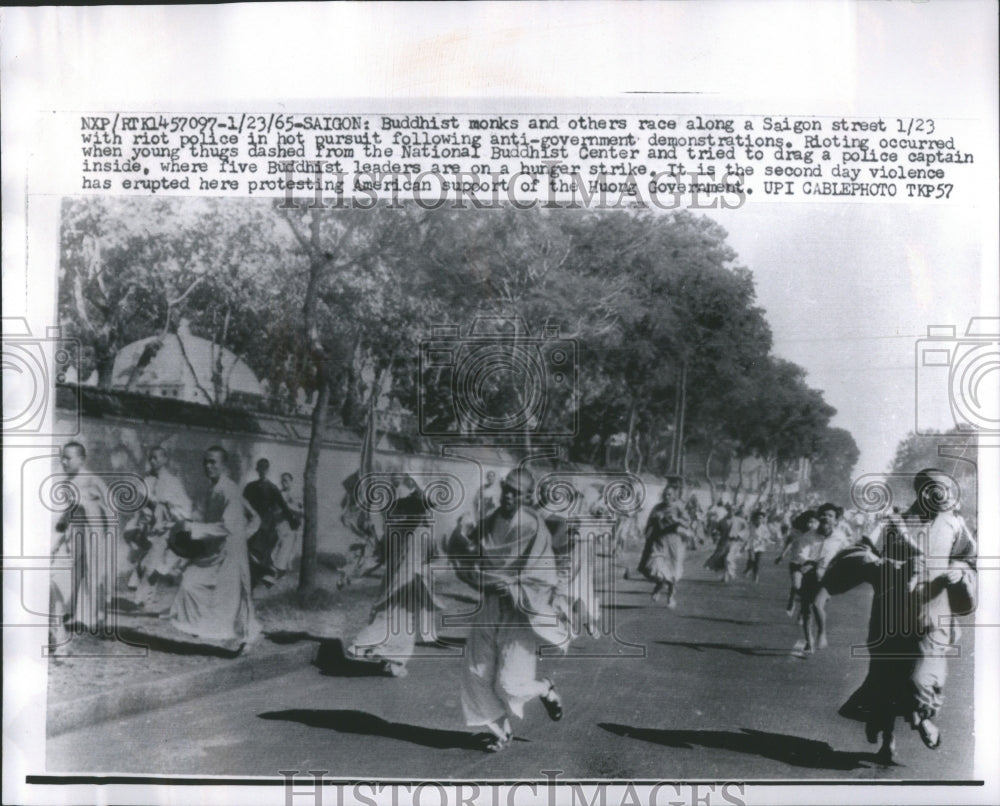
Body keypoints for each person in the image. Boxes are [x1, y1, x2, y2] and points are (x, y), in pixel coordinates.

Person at [831, 469, 976, 764]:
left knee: (921, 676)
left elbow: (970, 559)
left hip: (933, 617)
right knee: (886, 679)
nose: (942, 496)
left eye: (946, 491)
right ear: (921, 492)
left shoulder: (956, 526)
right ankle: (888, 740)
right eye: (934, 490)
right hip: (891, 616)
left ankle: (922, 719)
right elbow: (861, 553)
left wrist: (959, 572)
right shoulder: (894, 524)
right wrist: (887, 566)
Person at [449, 468, 568, 752]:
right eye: (508, 489)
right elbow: (473, 549)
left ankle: (544, 688)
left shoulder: (533, 526)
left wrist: (515, 586)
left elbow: (544, 574)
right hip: (490, 603)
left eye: (518, 492)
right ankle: (500, 732)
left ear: (527, 496)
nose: (510, 496)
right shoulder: (490, 520)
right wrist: (462, 535)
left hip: (519, 609)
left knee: (511, 684)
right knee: (476, 671)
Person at [346, 473, 444, 676]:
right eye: (394, 484)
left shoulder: (423, 527)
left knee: (404, 620)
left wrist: (425, 572)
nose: (394, 488)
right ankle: (373, 650)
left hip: (412, 581)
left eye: (399, 484)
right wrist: (355, 572)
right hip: (393, 579)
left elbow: (435, 558)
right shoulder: (392, 526)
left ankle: (394, 660)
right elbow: (380, 554)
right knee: (388, 616)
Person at [168, 446, 261, 649]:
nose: (208, 466)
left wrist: (195, 528)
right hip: (214, 549)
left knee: (233, 596)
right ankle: (205, 629)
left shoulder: (229, 490)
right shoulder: (215, 488)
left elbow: (228, 526)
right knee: (191, 581)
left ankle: (246, 639)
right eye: (206, 462)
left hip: (229, 554)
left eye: (213, 462)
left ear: (224, 465)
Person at [50, 441, 114, 641]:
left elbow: (110, 505)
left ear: (82, 459)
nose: (64, 461)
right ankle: (79, 616)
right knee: (75, 574)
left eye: (68, 458)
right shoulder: (66, 482)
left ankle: (100, 620)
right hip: (74, 534)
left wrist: (105, 527)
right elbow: (67, 510)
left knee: (95, 575)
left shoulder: (91, 479)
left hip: (93, 533)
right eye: (62, 457)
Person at [124, 446, 191, 608]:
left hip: (164, 530)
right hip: (147, 528)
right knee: (143, 565)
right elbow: (139, 505)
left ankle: (141, 600)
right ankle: (147, 597)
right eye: (151, 458)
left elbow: (184, 505)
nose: (153, 461)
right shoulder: (147, 481)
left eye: (156, 458)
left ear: (165, 459)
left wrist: (168, 509)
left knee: (150, 565)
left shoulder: (173, 482)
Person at [636, 480, 693, 606]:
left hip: (674, 543)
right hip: (658, 542)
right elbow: (649, 523)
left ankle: (671, 596)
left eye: (669, 494)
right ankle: (658, 585)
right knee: (655, 568)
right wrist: (647, 533)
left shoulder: (678, 507)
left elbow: (687, 522)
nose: (667, 496)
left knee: (672, 572)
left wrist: (676, 519)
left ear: (674, 496)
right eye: (665, 494)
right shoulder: (657, 507)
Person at [243, 458, 290, 588]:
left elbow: (283, 506)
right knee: (248, 549)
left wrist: (291, 520)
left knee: (265, 548)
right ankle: (251, 578)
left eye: (265, 468)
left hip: (267, 523)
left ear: (267, 470)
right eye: (260, 468)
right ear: (257, 469)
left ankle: (265, 574)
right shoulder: (250, 487)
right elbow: (243, 503)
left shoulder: (272, 488)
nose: (262, 471)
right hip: (252, 522)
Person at [774, 509, 821, 616]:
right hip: (796, 562)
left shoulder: (817, 535)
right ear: (804, 521)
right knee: (797, 585)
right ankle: (792, 599)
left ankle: (802, 612)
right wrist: (782, 555)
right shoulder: (796, 532)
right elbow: (789, 543)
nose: (811, 524)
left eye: (814, 522)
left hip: (811, 565)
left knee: (807, 591)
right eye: (809, 521)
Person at [271, 471, 303, 577]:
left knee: (286, 549)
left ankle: (280, 572)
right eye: (282, 480)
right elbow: (274, 510)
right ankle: (273, 571)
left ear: (291, 481)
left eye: (286, 480)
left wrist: (289, 507)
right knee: (276, 548)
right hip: (279, 524)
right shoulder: (279, 494)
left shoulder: (297, 495)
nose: (284, 483)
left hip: (291, 526)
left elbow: (301, 511)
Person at [704, 504, 747, 583]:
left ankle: (732, 573)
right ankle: (724, 576)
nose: (731, 512)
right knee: (721, 558)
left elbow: (746, 529)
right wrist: (714, 534)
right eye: (730, 510)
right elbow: (716, 530)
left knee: (728, 559)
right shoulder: (722, 521)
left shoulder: (740, 520)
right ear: (728, 511)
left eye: (733, 510)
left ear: (735, 511)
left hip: (734, 542)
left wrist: (740, 535)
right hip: (724, 542)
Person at [743, 509, 772, 583]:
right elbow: (745, 533)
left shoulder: (764, 527)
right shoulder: (751, 526)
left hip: (760, 546)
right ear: (755, 519)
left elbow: (767, 535)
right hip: (751, 545)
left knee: (757, 562)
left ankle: (755, 575)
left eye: (761, 518)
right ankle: (748, 568)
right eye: (758, 518)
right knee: (751, 559)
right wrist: (743, 542)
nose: (760, 520)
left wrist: (765, 539)